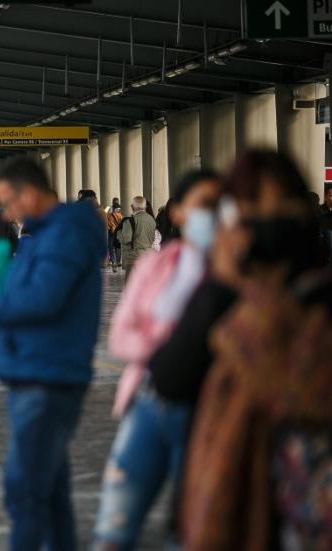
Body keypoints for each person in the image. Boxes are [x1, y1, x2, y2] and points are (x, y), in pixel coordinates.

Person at [173, 151, 332, 550]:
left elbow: (298, 394)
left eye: (280, 205)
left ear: (303, 212)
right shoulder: (221, 297)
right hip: (236, 506)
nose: (266, 218)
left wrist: (255, 299)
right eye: (251, 206)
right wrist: (220, 287)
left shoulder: (321, 298)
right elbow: (171, 377)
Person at [0, 157, 106, 551]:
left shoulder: (65, 236)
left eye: (9, 202)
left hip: (49, 376)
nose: (7, 212)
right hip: (33, 372)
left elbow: (43, 299)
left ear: (29, 193)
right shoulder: (41, 236)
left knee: (24, 489)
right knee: (49, 487)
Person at [91, 170, 223, 550]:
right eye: (203, 206)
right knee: (115, 522)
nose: (212, 215)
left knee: (190, 526)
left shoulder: (237, 272)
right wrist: (172, 348)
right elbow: (120, 336)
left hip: (208, 410)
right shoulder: (157, 267)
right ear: (179, 212)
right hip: (150, 400)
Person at [117, 196, 156, 276]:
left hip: (134, 257)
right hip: (148, 256)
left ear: (132, 207)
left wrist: (119, 234)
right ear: (145, 206)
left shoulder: (130, 221)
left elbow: (126, 239)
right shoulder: (151, 220)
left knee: (132, 285)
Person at [106, 201, 123, 271]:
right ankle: (118, 261)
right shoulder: (122, 216)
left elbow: (104, 213)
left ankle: (114, 262)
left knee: (111, 248)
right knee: (118, 247)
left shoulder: (110, 215)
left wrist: (108, 207)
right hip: (119, 233)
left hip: (111, 233)